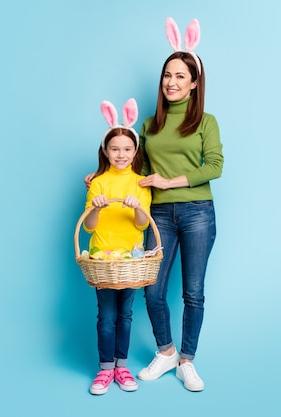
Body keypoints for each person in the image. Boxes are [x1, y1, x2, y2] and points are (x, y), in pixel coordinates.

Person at [84, 17, 223, 392]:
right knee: (152, 289)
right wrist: (98, 177)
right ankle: (165, 351)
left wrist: (169, 181)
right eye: (167, 75)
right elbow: (129, 163)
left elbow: (215, 167)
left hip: (197, 213)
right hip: (156, 214)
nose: (172, 82)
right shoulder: (148, 124)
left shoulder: (206, 122)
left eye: (180, 76)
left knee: (193, 292)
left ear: (194, 82)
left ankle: (187, 362)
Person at [83, 98, 152, 395]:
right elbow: (89, 226)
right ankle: (105, 369)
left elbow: (143, 225)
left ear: (135, 151)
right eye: (115, 149)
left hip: (132, 260)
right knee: (107, 316)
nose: (121, 154)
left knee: (126, 315)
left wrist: (137, 207)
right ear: (105, 151)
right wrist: (96, 208)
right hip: (103, 259)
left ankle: (122, 366)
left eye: (126, 149)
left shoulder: (140, 183)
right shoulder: (98, 182)